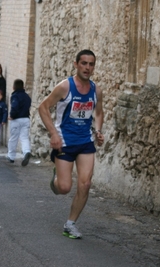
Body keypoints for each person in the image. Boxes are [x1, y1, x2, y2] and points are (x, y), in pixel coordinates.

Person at [38, 49, 104, 239]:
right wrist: (53, 134)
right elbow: (43, 107)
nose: (87, 68)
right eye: (83, 63)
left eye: (91, 64)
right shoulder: (65, 87)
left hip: (85, 141)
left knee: (85, 183)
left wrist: (98, 131)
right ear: (76, 64)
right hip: (64, 142)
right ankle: (56, 178)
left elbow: (98, 112)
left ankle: (70, 223)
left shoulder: (96, 90)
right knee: (64, 188)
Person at [6, 79, 32, 166]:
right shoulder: (27, 96)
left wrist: (12, 115)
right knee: (24, 137)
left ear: (13, 87)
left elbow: (15, 106)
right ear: (23, 86)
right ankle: (26, 151)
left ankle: (11, 156)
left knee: (13, 138)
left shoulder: (15, 96)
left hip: (16, 119)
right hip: (26, 118)